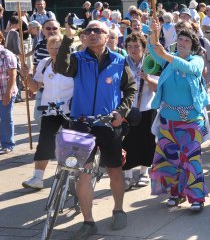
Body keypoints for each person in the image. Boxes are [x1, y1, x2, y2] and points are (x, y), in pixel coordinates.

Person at [54, 20, 136, 238]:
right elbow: (59, 67)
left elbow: (130, 89)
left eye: (97, 30)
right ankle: (88, 222)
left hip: (109, 124)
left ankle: (118, 209)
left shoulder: (119, 60)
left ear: (107, 35)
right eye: (88, 30)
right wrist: (67, 38)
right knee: (83, 174)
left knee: (115, 171)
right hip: (82, 124)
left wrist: (121, 113)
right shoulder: (77, 59)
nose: (92, 33)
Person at [147, 19, 210, 212]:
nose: (182, 42)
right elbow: (153, 51)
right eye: (180, 39)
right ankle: (175, 193)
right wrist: (154, 33)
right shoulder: (168, 58)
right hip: (168, 121)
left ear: (193, 46)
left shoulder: (196, 60)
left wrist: (166, 55)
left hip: (191, 121)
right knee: (170, 160)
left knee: (191, 160)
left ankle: (197, 197)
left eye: (186, 41)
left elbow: (191, 69)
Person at [21, 34, 74, 188]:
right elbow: (35, 87)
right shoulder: (45, 63)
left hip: (70, 110)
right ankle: (37, 178)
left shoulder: (73, 63)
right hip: (50, 110)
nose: (54, 51)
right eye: (51, 48)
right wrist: (27, 76)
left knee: (71, 145)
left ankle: (70, 175)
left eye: (58, 48)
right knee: (44, 143)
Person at [121, 33, 158, 190]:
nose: (133, 50)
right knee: (127, 142)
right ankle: (127, 176)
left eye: (137, 46)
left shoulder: (151, 63)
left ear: (143, 48)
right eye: (130, 47)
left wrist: (148, 79)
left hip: (147, 109)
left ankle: (144, 172)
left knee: (147, 142)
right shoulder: (122, 64)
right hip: (127, 109)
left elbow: (159, 88)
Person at [0, 32, 18, 155]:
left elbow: (13, 75)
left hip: (6, 91)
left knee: (6, 118)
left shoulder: (6, 54)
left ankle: (7, 144)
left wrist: (8, 93)